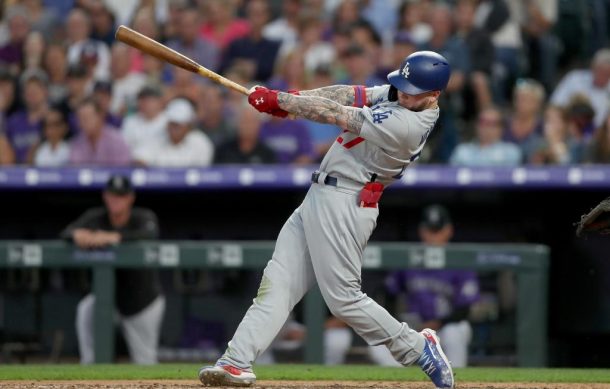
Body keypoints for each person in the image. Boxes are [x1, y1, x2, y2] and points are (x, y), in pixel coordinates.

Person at [199, 51, 455, 388]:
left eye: (413, 90)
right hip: (321, 194)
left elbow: (338, 113)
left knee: (344, 299)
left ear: (433, 96)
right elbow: (348, 94)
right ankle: (236, 361)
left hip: (347, 200)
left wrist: (283, 101)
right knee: (278, 283)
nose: (403, 93)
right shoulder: (402, 96)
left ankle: (418, 348)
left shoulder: (407, 125)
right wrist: (291, 101)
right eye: (403, 85)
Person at [60, 175, 165, 364]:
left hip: (142, 301)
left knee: (145, 362)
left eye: (121, 196)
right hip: (106, 298)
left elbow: (150, 233)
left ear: (130, 198)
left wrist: (114, 237)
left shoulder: (143, 217)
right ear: (105, 196)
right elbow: (67, 232)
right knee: (86, 308)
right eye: (112, 195)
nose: (116, 200)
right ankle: (89, 368)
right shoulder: (95, 217)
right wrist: (77, 235)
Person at [369, 205, 479, 368]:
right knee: (377, 347)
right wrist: (397, 325)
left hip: (444, 327)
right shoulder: (409, 258)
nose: (433, 237)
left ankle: (454, 379)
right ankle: (406, 383)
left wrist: (437, 323)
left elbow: (464, 309)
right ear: (422, 231)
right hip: (413, 327)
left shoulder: (459, 260)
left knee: (455, 332)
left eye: (438, 231)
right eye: (429, 231)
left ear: (448, 230)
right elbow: (388, 295)